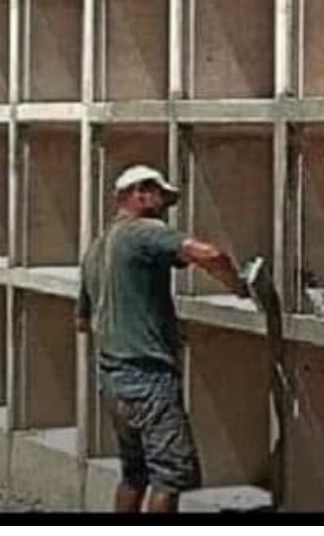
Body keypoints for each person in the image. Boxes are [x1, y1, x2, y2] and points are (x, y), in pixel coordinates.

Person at [76, 164, 249, 513]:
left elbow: (82, 320)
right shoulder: (143, 232)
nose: (165, 209)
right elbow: (210, 254)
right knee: (169, 476)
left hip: (112, 376)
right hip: (148, 377)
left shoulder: (96, 248)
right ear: (139, 193)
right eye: (161, 199)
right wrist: (240, 287)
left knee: (134, 474)